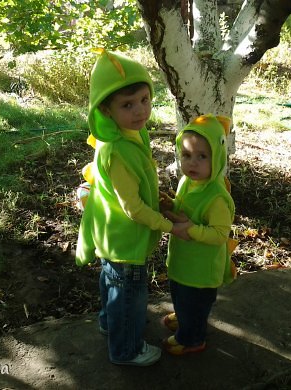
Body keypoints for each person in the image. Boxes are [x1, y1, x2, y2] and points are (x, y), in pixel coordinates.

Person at [75, 49, 190, 366]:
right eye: (127, 105)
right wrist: (169, 226)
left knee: (112, 284)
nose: (140, 111)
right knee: (129, 293)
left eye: (144, 99)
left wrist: (160, 198)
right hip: (125, 239)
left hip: (114, 234)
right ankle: (125, 350)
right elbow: (133, 207)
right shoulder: (118, 150)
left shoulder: (130, 131)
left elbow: (137, 185)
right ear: (106, 110)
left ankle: (109, 323)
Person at [160, 113, 237, 356]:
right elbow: (185, 213)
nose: (192, 163)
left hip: (201, 270)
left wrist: (190, 229)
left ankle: (192, 338)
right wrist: (170, 205)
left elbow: (218, 235)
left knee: (195, 304)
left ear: (218, 157)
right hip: (184, 262)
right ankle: (184, 318)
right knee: (180, 295)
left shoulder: (216, 198)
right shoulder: (188, 182)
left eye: (202, 156)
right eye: (187, 155)